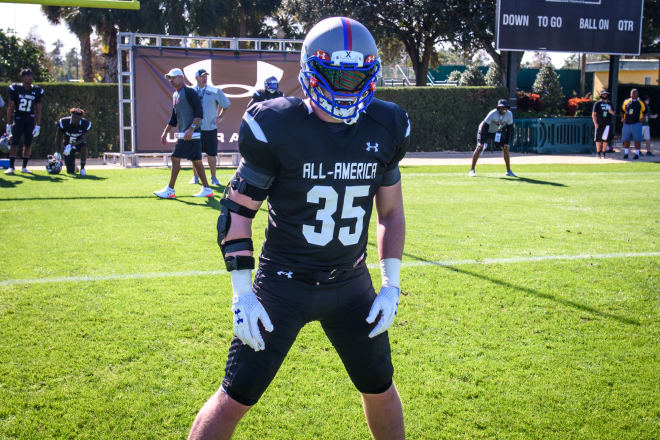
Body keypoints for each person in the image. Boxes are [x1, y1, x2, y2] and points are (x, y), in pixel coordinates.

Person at [187, 17, 408, 440]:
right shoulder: (277, 124)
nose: (345, 89)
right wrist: (241, 292)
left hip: (351, 284)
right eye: (334, 76)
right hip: (282, 286)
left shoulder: (386, 125)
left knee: (380, 388)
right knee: (235, 396)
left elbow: (392, 213)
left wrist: (391, 284)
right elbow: (236, 209)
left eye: (355, 78)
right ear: (310, 71)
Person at [154, 68, 213, 199]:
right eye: (169, 78)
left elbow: (199, 112)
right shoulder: (175, 95)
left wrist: (191, 129)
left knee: (175, 158)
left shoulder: (190, 92)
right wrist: (165, 132)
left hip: (191, 135)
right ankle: (207, 189)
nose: (170, 80)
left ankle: (170, 190)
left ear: (181, 77)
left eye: (173, 77)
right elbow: (174, 118)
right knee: (197, 161)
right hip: (186, 135)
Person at [190, 68, 231, 186]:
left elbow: (226, 105)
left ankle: (213, 178)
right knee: (195, 155)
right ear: (196, 78)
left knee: (211, 154)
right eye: (202, 76)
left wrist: (221, 117)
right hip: (195, 128)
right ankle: (195, 177)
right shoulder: (191, 91)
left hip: (210, 129)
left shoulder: (215, 91)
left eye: (206, 76)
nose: (205, 78)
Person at [5, 68, 43, 175]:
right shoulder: (15, 88)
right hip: (18, 118)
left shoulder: (37, 90)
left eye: (31, 76)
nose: (30, 78)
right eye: (28, 76)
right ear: (23, 77)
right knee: (14, 142)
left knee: (28, 143)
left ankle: (24, 167)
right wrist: (8, 123)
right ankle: (11, 167)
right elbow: (11, 107)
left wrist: (38, 125)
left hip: (29, 119)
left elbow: (38, 109)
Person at [469, 98, 516, 177]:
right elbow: (484, 127)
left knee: (506, 148)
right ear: (498, 108)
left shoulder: (509, 114)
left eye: (505, 108)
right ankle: (472, 170)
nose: (504, 109)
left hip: (495, 131)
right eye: (502, 107)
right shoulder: (493, 113)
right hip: (485, 130)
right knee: (479, 147)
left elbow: (509, 129)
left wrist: (507, 143)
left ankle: (508, 171)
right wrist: (481, 141)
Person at [55, 107, 92, 175]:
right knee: (70, 171)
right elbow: (58, 137)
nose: (73, 119)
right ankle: (74, 167)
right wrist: (57, 151)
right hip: (67, 146)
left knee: (84, 146)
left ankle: (82, 168)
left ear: (80, 118)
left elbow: (83, 139)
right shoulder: (64, 122)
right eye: (73, 117)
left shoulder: (85, 123)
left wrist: (72, 145)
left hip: (78, 144)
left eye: (76, 118)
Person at [620, 88, 646, 160]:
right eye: (632, 93)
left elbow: (645, 112)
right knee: (626, 140)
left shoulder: (640, 102)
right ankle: (626, 154)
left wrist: (642, 119)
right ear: (630, 94)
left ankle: (637, 154)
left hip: (636, 123)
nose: (633, 94)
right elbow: (622, 111)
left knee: (637, 140)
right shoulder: (626, 101)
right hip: (627, 124)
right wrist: (622, 118)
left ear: (637, 94)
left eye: (635, 93)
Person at [592, 89, 615, 158]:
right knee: (598, 139)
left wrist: (610, 110)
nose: (605, 95)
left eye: (606, 94)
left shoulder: (610, 103)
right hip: (599, 123)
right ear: (601, 95)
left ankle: (604, 153)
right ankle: (598, 153)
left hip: (607, 124)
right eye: (603, 94)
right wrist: (595, 123)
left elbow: (613, 113)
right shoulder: (597, 103)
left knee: (605, 139)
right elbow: (594, 114)